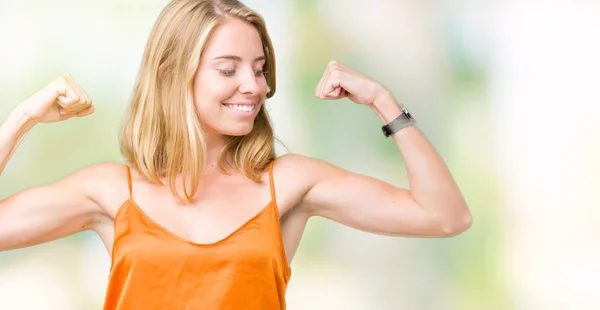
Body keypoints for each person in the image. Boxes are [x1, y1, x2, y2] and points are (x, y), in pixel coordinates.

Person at [0, 0, 472, 309]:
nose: (255, 86)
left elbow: (445, 215)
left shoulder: (287, 184)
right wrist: (21, 118)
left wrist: (383, 102)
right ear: (171, 74)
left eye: (260, 68)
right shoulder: (109, 190)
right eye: (229, 68)